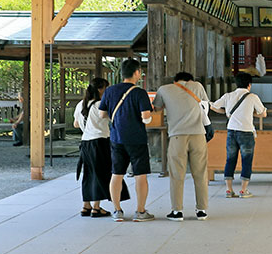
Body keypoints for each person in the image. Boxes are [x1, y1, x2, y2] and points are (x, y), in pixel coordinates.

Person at [97, 58, 156, 222]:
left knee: (116, 174)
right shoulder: (139, 93)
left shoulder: (110, 91)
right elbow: (146, 118)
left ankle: (117, 211)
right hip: (137, 139)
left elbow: (102, 114)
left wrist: (117, 121)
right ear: (136, 73)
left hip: (117, 138)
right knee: (140, 175)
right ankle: (140, 211)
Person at [153, 71, 211, 220]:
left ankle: (177, 211)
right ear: (190, 80)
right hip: (198, 134)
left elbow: (157, 109)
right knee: (200, 173)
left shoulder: (164, 89)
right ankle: (201, 210)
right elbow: (205, 105)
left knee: (177, 174)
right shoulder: (197, 86)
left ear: (175, 81)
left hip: (177, 136)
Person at [74, 77, 127, 218]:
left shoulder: (80, 104)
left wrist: (88, 125)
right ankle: (96, 207)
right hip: (100, 142)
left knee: (89, 174)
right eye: (105, 88)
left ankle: (86, 205)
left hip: (85, 142)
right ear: (100, 89)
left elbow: (75, 124)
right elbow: (112, 118)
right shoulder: (100, 105)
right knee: (100, 173)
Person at [210, 71, 267, 198]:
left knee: (230, 160)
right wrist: (251, 114)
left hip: (231, 131)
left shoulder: (228, 96)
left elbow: (213, 107)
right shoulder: (252, 97)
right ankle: (243, 190)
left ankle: (229, 190)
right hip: (246, 131)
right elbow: (263, 114)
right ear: (249, 85)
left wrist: (227, 113)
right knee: (246, 160)